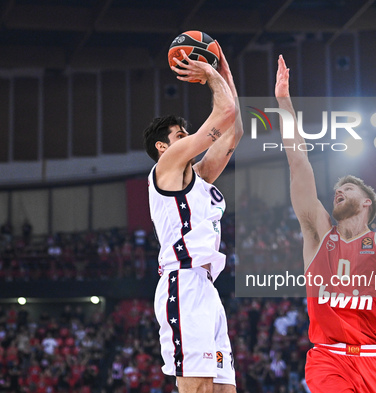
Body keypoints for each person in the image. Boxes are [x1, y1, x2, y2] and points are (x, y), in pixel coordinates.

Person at [274, 55, 376, 392]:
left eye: (348, 187)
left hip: (373, 361)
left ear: (366, 202)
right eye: (337, 189)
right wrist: (284, 103)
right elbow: (299, 163)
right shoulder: (318, 233)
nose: (339, 191)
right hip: (328, 358)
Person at [144, 45, 242, 393]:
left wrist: (225, 78)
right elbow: (223, 116)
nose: (186, 138)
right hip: (182, 284)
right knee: (197, 388)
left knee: (223, 389)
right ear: (162, 147)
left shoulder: (197, 178)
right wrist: (212, 76)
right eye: (179, 135)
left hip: (205, 287)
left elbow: (233, 132)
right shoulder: (166, 167)